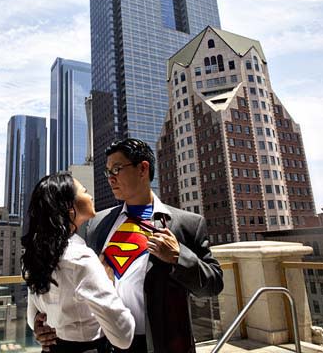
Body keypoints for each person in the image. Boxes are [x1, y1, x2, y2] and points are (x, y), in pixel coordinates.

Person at [34, 138, 224, 353]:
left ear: (143, 169)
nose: (111, 178)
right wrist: (44, 324)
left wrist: (178, 256)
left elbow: (213, 285)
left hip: (162, 345)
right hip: (105, 345)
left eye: (117, 169)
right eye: (108, 172)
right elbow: (67, 282)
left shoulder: (187, 223)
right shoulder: (97, 224)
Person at [23, 172, 135, 353]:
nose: (90, 195)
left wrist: (41, 329)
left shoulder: (34, 256)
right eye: (84, 191)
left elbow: (33, 317)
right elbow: (123, 336)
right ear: (69, 207)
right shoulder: (81, 259)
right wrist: (109, 283)